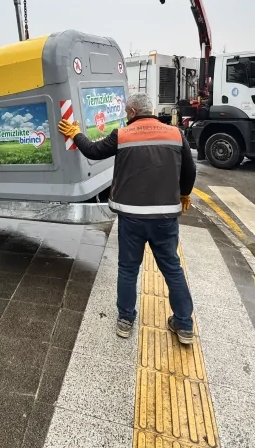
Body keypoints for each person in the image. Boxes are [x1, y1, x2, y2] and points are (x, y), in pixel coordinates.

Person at [57, 92, 197, 344]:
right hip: (165, 218)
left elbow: (92, 150)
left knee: (128, 268)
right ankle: (184, 325)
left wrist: (74, 133)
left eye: (126, 112)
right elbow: (190, 169)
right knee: (172, 269)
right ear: (151, 110)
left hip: (132, 218)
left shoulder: (121, 135)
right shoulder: (176, 135)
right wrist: (185, 193)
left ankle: (125, 321)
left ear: (132, 112)